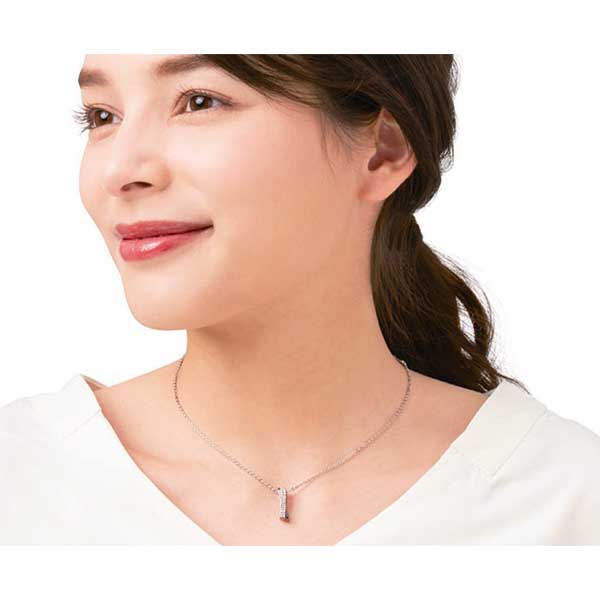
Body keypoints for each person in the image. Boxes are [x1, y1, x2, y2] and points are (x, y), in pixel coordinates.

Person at [1, 54, 599, 545]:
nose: (119, 171)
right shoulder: (22, 476)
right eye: (102, 116)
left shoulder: (567, 499)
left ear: (383, 150)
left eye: (200, 101)